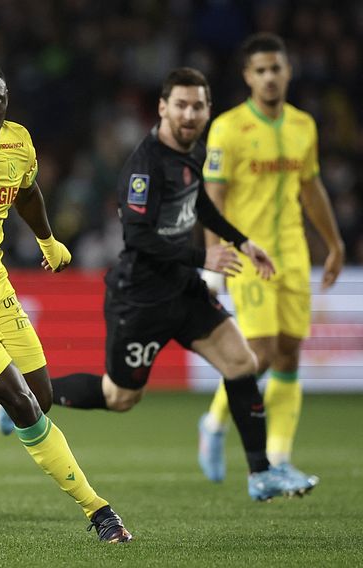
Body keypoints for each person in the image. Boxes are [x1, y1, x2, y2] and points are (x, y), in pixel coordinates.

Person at [29, 68, 316, 501]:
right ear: (163, 108)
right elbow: (138, 238)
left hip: (183, 289)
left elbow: (200, 202)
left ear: (207, 110)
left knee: (242, 362)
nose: (189, 114)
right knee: (120, 397)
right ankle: (28, 399)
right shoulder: (145, 166)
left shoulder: (193, 151)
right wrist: (204, 257)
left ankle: (261, 473)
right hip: (142, 298)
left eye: (197, 106)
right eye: (180, 105)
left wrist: (242, 241)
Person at [0, 58, 131, 543]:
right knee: (24, 402)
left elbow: (26, 191)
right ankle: (99, 511)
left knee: (40, 398)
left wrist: (47, 239)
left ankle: (8, 406)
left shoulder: (18, 141)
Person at [196, 33, 343, 484]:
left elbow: (311, 188)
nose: (269, 77)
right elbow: (213, 196)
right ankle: (214, 423)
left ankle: (280, 459)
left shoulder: (303, 125)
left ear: (288, 71)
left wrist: (334, 243)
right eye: (260, 71)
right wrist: (215, 253)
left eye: (275, 68)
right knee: (258, 352)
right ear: (248, 76)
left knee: (289, 354)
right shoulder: (228, 128)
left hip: (293, 254)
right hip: (248, 253)